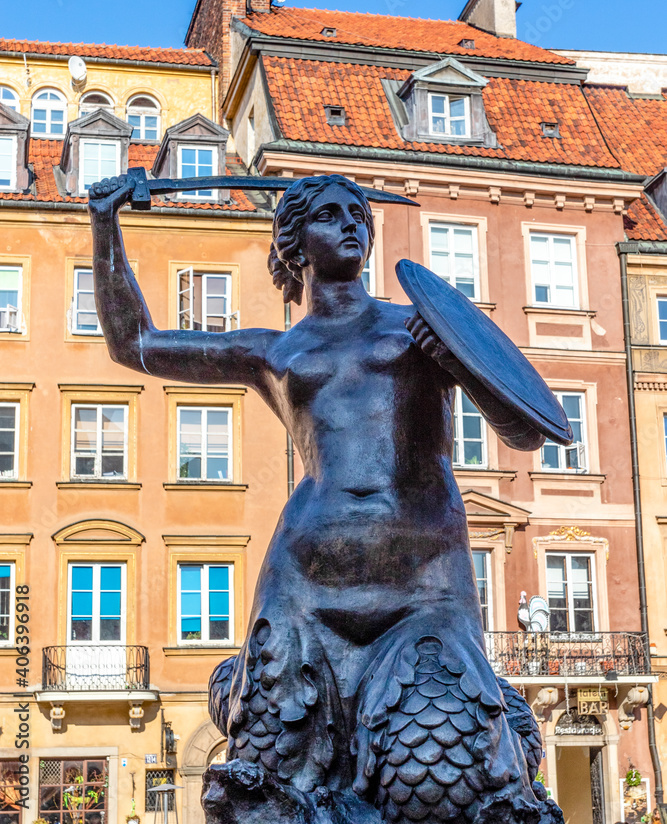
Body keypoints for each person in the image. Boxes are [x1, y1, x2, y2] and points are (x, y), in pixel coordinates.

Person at [89, 172, 554, 824]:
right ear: (293, 243)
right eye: (332, 215)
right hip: (303, 581)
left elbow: (527, 429)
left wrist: (454, 361)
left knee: (440, 771)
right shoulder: (275, 349)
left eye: (359, 215)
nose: (352, 225)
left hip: (420, 580)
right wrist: (105, 225)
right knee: (270, 780)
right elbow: (134, 345)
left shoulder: (418, 331)